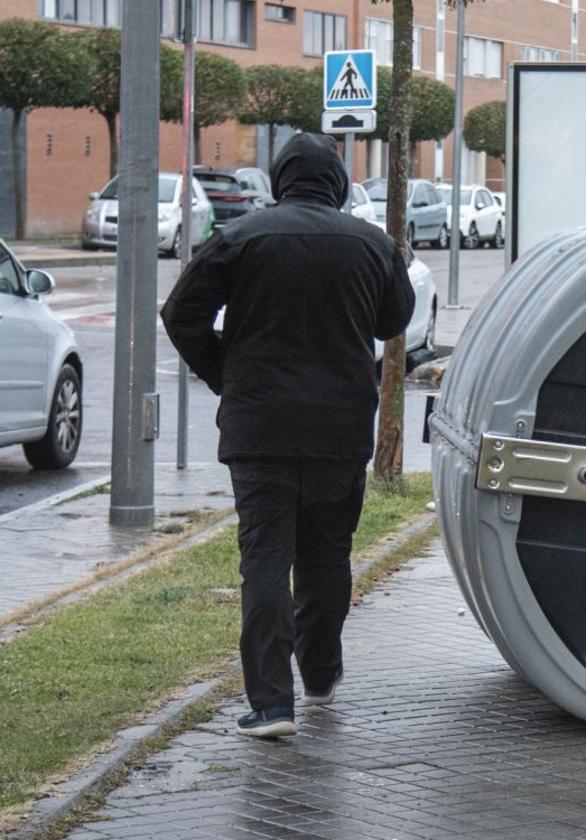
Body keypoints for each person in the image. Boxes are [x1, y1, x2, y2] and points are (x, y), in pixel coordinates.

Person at [161, 133, 414, 739]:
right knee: (327, 556)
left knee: (266, 560)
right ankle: (321, 673)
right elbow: (394, 319)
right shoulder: (372, 244)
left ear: (280, 180)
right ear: (339, 183)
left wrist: (227, 374)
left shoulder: (242, 237)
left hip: (260, 429)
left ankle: (272, 704)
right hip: (340, 428)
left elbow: (180, 314)